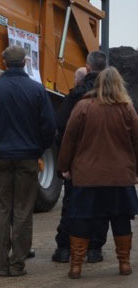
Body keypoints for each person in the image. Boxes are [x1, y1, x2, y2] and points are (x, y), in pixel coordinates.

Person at [0, 45, 56, 277]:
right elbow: (49, 126)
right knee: (23, 210)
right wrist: (38, 149)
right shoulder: (36, 89)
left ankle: (1, 263)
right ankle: (18, 262)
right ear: (25, 62)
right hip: (27, 157)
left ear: (4, 62)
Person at [58, 67, 138, 279]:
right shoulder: (127, 109)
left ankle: (76, 267)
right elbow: (137, 143)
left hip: (87, 176)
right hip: (120, 177)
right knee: (121, 219)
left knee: (82, 219)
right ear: (119, 85)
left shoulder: (83, 107)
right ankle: (124, 264)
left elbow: (69, 139)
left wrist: (64, 166)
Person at [52, 51, 109, 264]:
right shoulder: (114, 97)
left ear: (88, 67)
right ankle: (94, 249)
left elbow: (61, 128)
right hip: (105, 163)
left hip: (79, 162)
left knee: (72, 205)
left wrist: (64, 164)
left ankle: (65, 249)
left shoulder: (76, 97)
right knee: (101, 207)